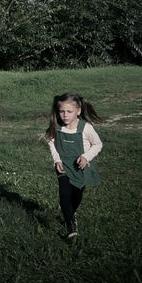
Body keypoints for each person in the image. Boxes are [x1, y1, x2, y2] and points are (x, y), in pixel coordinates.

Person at [43, 92, 103, 239]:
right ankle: (70, 226)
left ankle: (71, 212)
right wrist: (56, 160)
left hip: (80, 167)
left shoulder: (86, 128)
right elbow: (51, 142)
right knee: (64, 194)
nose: (65, 115)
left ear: (78, 111)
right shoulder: (57, 126)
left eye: (69, 111)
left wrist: (86, 156)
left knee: (76, 195)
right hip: (62, 167)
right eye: (61, 111)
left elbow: (98, 144)